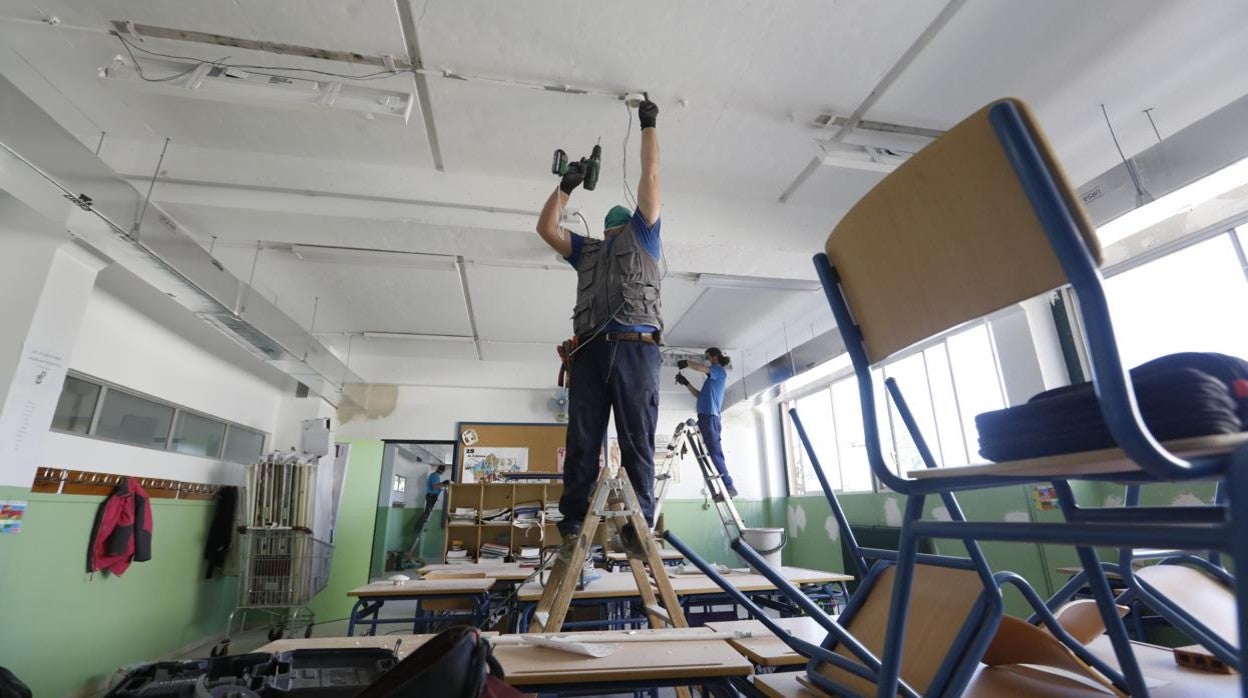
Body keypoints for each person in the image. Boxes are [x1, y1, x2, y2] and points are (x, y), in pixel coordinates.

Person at [536, 97, 662, 555]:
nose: (611, 231)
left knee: (637, 441)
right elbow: (547, 227)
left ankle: (637, 527)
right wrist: (565, 187)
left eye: (615, 226)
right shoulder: (585, 250)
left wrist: (648, 123)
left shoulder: (644, 235)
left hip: (636, 348)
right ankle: (572, 529)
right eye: (610, 228)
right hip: (589, 351)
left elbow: (649, 179)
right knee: (583, 441)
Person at [676, 348, 737, 498]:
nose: (707, 360)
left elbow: (703, 369)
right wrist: (686, 383)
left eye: (708, 357)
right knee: (708, 455)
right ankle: (723, 489)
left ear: (715, 356)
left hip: (710, 418)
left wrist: (687, 363)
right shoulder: (710, 382)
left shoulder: (718, 371)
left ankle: (729, 486)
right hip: (704, 418)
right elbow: (699, 395)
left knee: (715, 454)